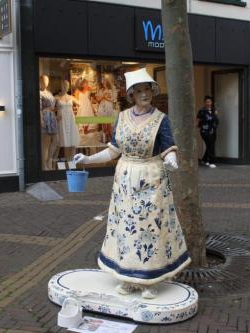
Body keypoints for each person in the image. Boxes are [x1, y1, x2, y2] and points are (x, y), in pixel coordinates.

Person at [74, 68, 191, 299]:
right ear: (131, 95)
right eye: (139, 91)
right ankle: (127, 278)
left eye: (147, 89)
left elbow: (168, 148)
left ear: (152, 92)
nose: (144, 94)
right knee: (126, 230)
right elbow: (112, 151)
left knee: (148, 230)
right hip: (125, 182)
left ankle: (150, 280)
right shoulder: (122, 117)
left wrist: (172, 161)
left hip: (152, 179)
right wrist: (87, 159)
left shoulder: (161, 119)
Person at [56, 80, 80, 161]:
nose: (65, 87)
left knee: (73, 141)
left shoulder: (71, 97)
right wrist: (57, 111)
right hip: (62, 120)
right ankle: (67, 161)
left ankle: (72, 161)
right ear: (61, 86)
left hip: (71, 119)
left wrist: (77, 114)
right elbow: (51, 107)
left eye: (67, 86)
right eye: (64, 85)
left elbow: (80, 104)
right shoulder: (57, 97)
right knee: (65, 141)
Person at [39, 75, 59, 170]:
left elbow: (53, 105)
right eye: (44, 80)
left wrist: (56, 112)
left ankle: (49, 160)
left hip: (52, 117)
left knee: (56, 140)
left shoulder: (49, 92)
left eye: (47, 80)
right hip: (45, 117)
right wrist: (41, 119)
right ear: (40, 81)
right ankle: (44, 165)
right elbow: (39, 108)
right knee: (45, 143)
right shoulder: (39, 93)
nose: (46, 82)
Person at [197, 95, 219, 168]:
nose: (208, 103)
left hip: (213, 130)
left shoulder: (214, 110)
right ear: (205, 102)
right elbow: (198, 120)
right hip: (205, 131)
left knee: (211, 145)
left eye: (209, 102)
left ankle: (204, 160)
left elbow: (216, 120)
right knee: (210, 145)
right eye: (207, 102)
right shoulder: (202, 111)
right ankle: (211, 161)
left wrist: (216, 115)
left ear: (212, 102)